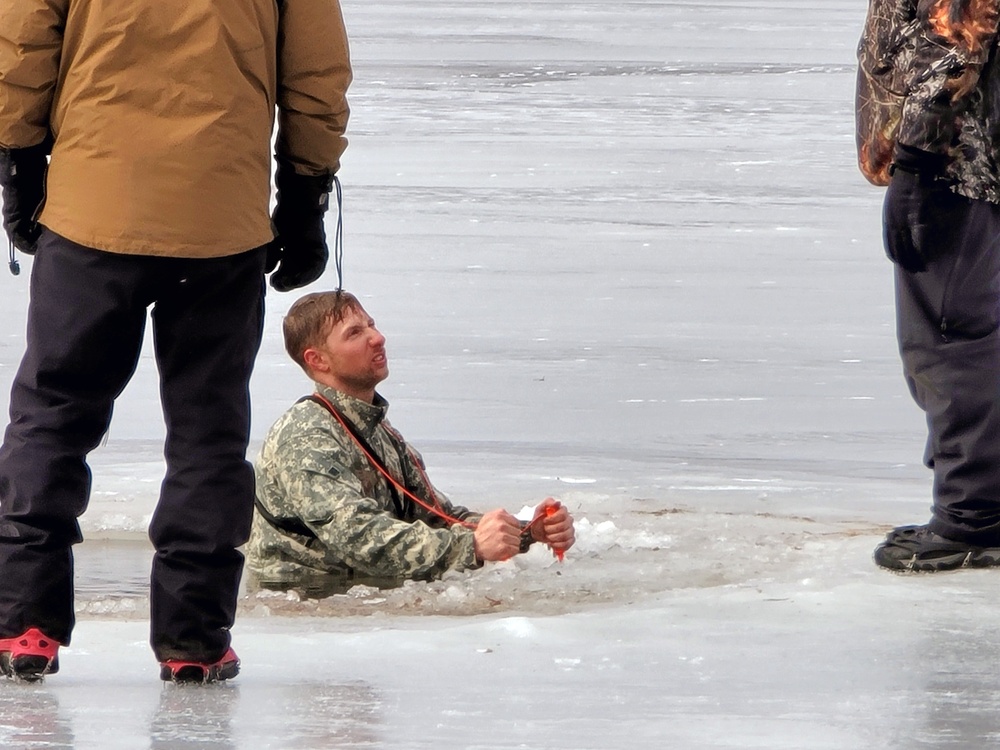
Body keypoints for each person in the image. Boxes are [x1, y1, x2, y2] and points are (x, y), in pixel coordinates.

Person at [0, 0, 351, 682]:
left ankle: (24, 623)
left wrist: (19, 166)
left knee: (52, 415)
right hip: (221, 221)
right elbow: (316, 74)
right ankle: (194, 638)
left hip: (91, 213)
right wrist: (306, 196)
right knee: (208, 432)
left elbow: (17, 51)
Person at [246, 291, 576, 597]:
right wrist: (471, 546)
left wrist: (525, 532)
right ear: (318, 360)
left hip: (363, 598)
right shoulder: (307, 436)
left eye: (371, 325)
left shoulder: (377, 430)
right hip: (308, 605)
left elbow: (438, 517)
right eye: (355, 333)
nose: (378, 338)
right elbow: (359, 537)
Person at [856, 2, 1000, 571]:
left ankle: (975, 513)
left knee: (950, 335)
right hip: (962, 160)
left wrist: (916, 162)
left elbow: (955, 42)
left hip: (957, 165)